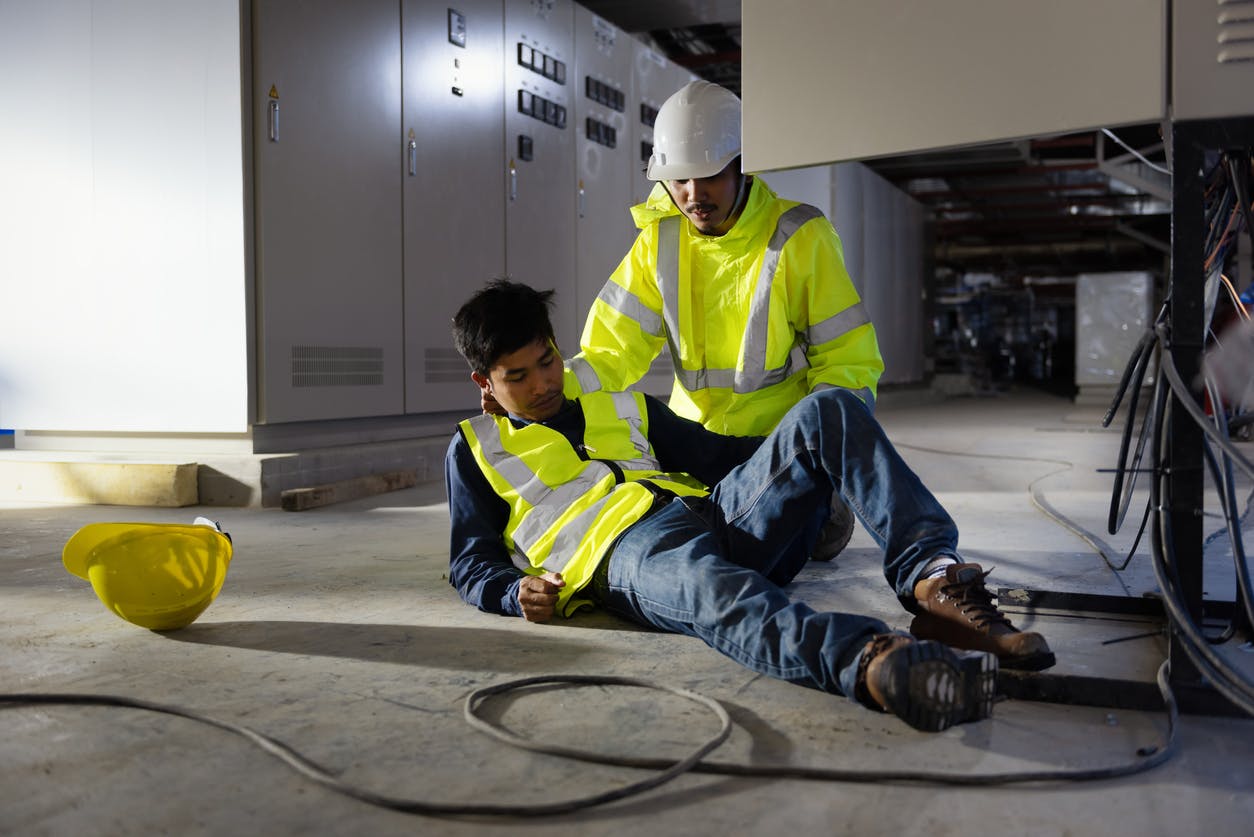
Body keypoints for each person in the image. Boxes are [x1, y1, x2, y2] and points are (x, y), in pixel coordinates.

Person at [445, 279, 1055, 734]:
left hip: (715, 515)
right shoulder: (476, 449)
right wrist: (511, 591)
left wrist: (815, 455)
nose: (544, 382)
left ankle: (933, 582)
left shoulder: (614, 400)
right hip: (629, 555)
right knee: (720, 595)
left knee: (829, 410)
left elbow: (719, 453)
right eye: (518, 376)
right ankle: (875, 663)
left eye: (546, 360)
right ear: (484, 382)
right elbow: (470, 560)